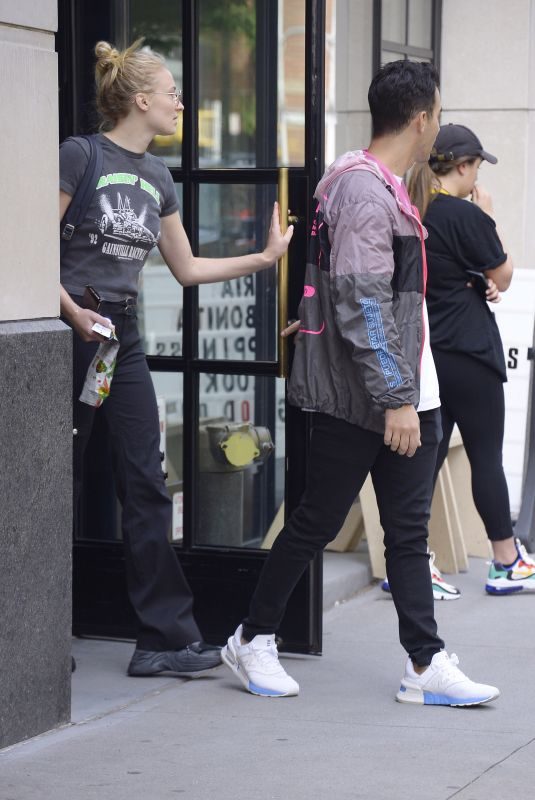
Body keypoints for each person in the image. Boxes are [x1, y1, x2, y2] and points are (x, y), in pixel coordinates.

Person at [221, 60, 500, 705]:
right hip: (370, 399)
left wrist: (409, 393)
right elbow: (362, 301)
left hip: (405, 391)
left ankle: (424, 666)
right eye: (439, 113)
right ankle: (252, 637)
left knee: (407, 533)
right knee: (317, 520)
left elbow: (347, 290)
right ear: (423, 117)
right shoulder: (365, 191)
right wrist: (397, 398)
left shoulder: (380, 185)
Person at [59, 39, 293, 678]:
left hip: (120, 340)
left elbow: (185, 269)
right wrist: (68, 312)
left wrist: (264, 259)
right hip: (70, 330)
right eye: (171, 93)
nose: (179, 103)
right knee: (56, 484)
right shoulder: (81, 156)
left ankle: (163, 638)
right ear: (140, 100)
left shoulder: (157, 177)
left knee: (146, 480)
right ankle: (39, 637)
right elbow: (25, 248)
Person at [406, 123, 535, 595]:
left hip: (429, 350)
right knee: (485, 456)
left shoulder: (413, 208)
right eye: (477, 166)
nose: (478, 175)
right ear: (463, 167)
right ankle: (505, 561)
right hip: (469, 349)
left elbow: (442, 274)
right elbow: (503, 269)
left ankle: (414, 561)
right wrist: (489, 216)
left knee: (427, 459)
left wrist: (477, 282)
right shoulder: (465, 213)